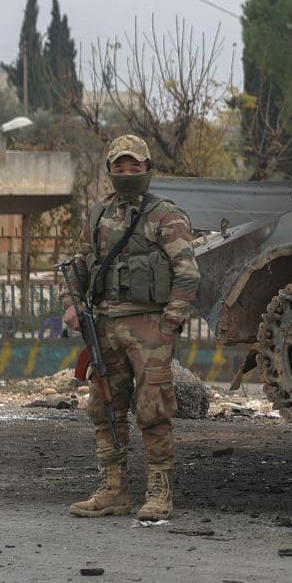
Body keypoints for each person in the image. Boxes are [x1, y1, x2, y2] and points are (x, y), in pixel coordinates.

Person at [59, 134, 200, 521]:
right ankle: (113, 489)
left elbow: (187, 274)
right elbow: (79, 263)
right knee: (105, 408)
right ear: (109, 170)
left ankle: (159, 491)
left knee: (153, 409)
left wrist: (169, 323)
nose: (126, 173)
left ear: (147, 169)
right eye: (119, 167)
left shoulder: (164, 215)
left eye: (134, 166)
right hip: (105, 324)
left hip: (149, 326)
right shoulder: (99, 213)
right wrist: (71, 303)